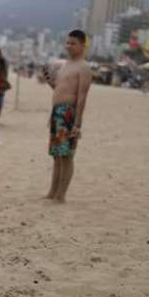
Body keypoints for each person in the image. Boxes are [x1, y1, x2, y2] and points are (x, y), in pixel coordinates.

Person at [43, 30, 92, 203]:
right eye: (67, 42)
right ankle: (52, 192)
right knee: (56, 155)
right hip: (57, 113)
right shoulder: (65, 65)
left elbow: (82, 97)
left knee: (67, 156)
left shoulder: (84, 67)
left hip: (69, 113)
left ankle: (61, 195)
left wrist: (77, 123)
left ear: (82, 45)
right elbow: (59, 88)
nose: (68, 46)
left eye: (73, 43)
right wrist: (50, 81)